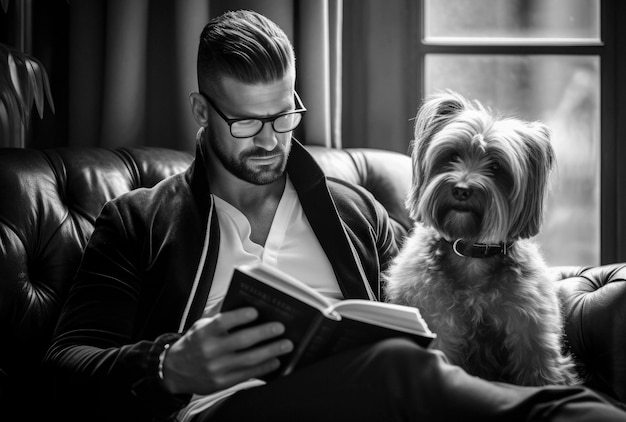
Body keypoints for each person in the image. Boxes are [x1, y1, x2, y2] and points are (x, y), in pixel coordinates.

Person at [43, 9, 626, 422]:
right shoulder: (139, 221)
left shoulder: (351, 209)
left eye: (285, 114)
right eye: (246, 122)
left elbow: (432, 294)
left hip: (377, 401)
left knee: (397, 363)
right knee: (395, 368)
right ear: (201, 110)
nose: (271, 141)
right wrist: (169, 365)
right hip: (225, 408)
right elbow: (64, 369)